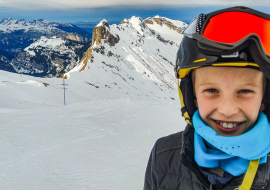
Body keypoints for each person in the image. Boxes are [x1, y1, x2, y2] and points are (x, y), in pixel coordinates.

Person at [143, 6, 270, 190]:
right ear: (192, 96)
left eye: (244, 91)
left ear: (264, 99)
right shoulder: (163, 157)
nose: (227, 110)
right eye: (212, 90)